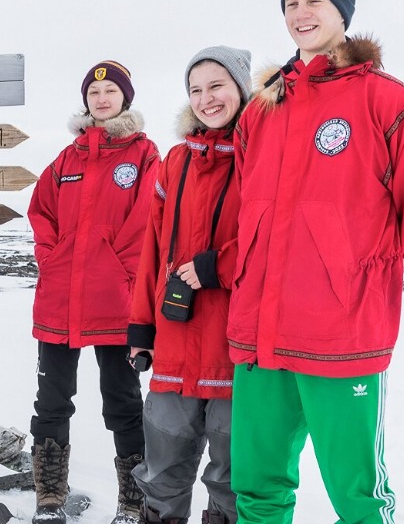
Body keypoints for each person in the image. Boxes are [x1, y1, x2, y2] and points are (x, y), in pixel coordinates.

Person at [229, 0, 404, 523]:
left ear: (342, 11)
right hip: (259, 334)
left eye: (314, 0)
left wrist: (351, 263)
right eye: (290, 3)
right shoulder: (262, 109)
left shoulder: (387, 100)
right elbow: (245, 210)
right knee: (257, 489)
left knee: (358, 497)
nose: (300, 13)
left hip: (341, 334)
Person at [26, 61, 160, 524]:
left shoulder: (144, 156)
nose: (102, 99)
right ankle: (49, 497)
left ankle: (133, 499)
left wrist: (121, 273)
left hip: (117, 304)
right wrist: (51, 260)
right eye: (94, 92)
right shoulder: (67, 159)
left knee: (123, 401)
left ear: (125, 98)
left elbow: (147, 222)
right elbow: (41, 213)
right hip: (59, 301)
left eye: (110, 91)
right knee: (52, 401)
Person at [127, 46, 253, 524]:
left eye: (217, 85)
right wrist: (141, 328)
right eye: (195, 89)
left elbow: (277, 238)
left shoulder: (262, 155)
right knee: (161, 474)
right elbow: (153, 251)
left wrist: (218, 266)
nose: (206, 98)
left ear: (241, 88)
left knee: (233, 479)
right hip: (175, 345)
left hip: (236, 350)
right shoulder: (175, 161)